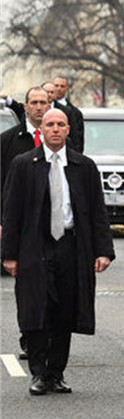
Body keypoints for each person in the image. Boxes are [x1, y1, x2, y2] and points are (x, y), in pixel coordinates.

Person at [1, 108, 115, 395]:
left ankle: (56, 372)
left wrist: (103, 251)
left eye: (60, 124)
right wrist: (9, 254)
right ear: (42, 129)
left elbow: (97, 212)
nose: (55, 129)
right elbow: (11, 212)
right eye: (49, 124)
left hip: (70, 245)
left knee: (64, 310)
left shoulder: (84, 166)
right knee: (35, 308)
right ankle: (39, 373)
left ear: (67, 130)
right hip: (33, 246)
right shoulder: (24, 164)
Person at [1, 86, 52, 360]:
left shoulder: (59, 140)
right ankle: (29, 337)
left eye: (43, 102)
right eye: (34, 102)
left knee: (55, 286)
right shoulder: (8, 141)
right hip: (23, 227)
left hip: (55, 226)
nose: (39, 107)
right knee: (28, 287)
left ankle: (50, 338)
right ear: (26, 106)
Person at [51, 77, 84, 153]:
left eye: (62, 86)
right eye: (56, 86)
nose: (59, 89)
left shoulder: (75, 112)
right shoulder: (44, 109)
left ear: (67, 89)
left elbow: (78, 140)